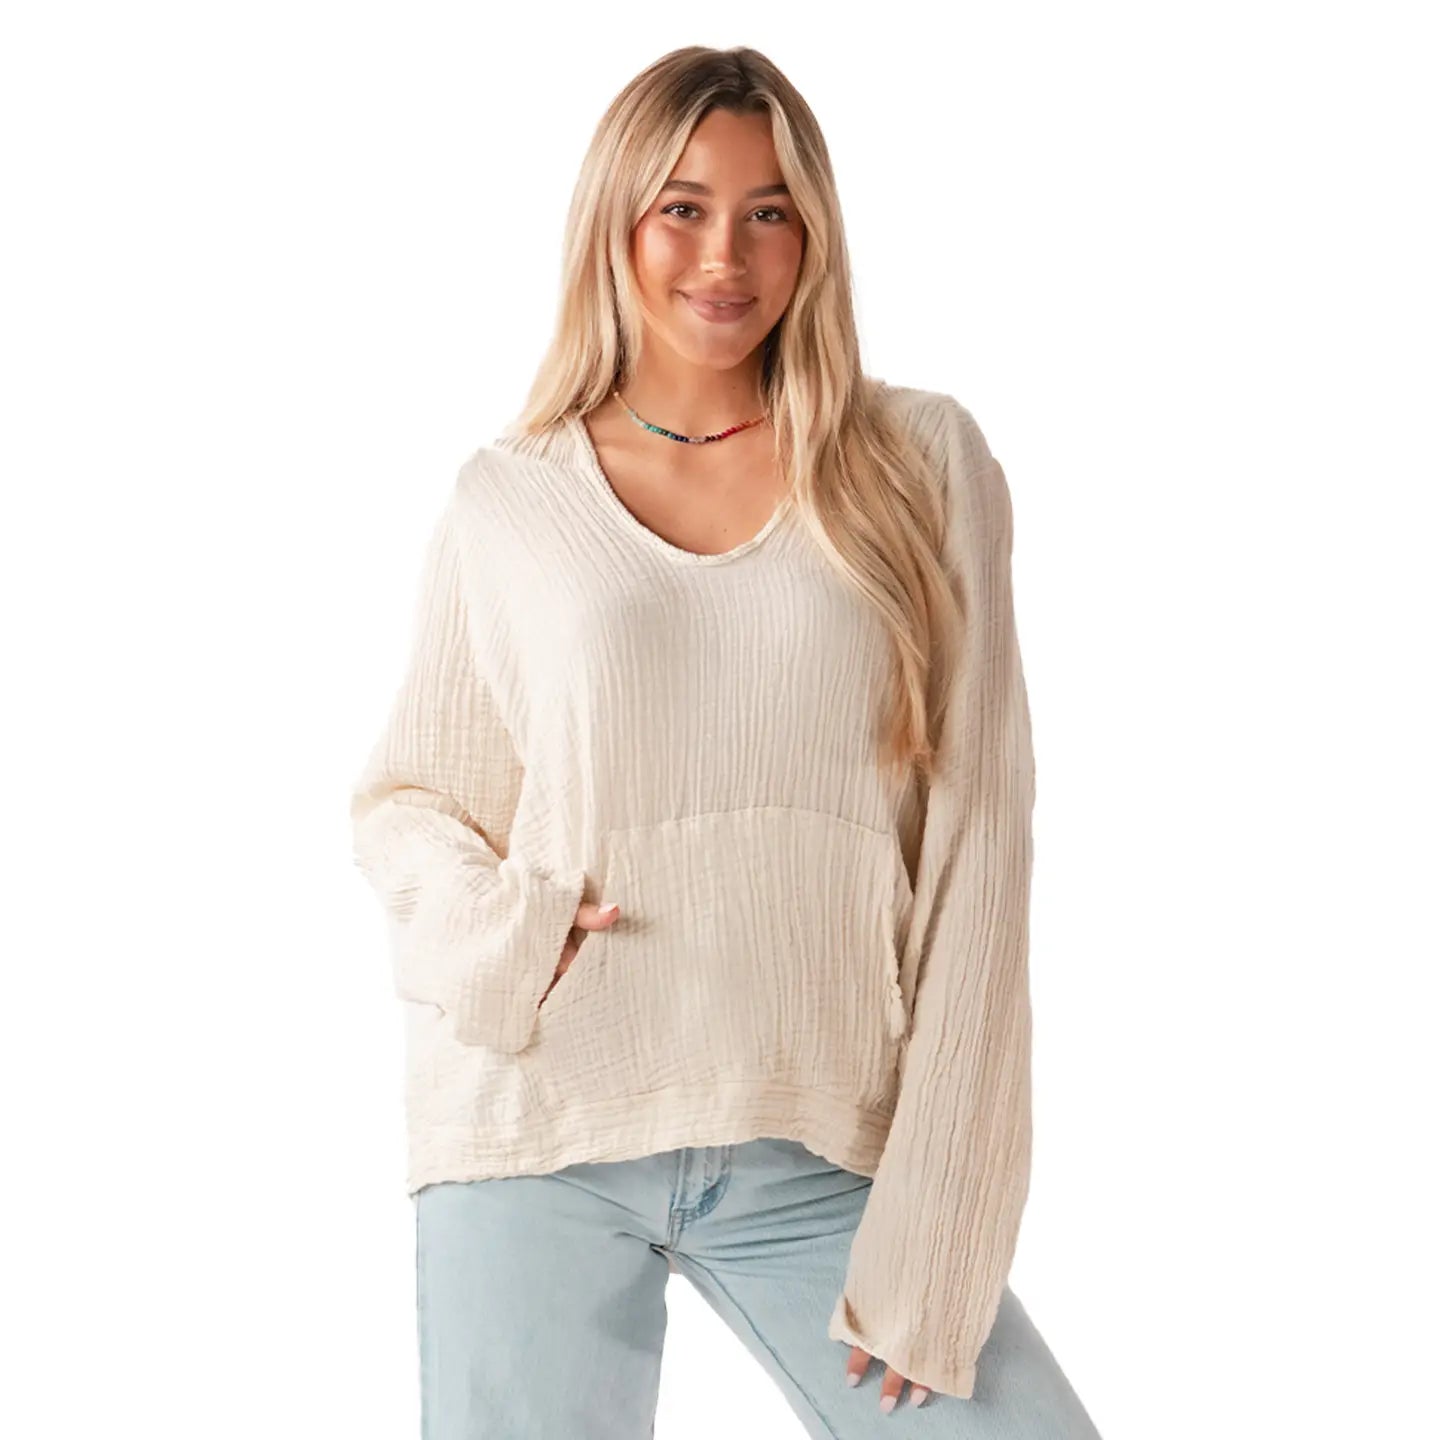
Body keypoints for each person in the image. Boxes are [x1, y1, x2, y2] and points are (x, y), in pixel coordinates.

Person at [348, 44, 1103, 1440]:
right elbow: (409, 801)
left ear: (813, 233)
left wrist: (941, 1228)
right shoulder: (510, 500)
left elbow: (982, 850)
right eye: (683, 208)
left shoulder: (917, 464)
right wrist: (511, 936)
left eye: (768, 211)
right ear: (616, 222)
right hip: (542, 1130)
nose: (725, 256)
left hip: (818, 1145)